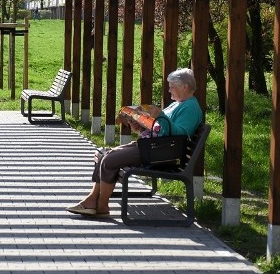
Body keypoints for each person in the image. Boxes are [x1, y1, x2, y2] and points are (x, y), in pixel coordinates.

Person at [67, 68, 203, 217]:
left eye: (172, 86)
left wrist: (161, 115)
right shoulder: (177, 103)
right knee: (102, 154)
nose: (169, 90)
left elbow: (181, 135)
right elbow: (161, 129)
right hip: (153, 147)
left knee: (109, 159)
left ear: (185, 87)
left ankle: (101, 205)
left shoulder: (190, 107)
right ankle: (93, 200)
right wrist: (138, 125)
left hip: (160, 152)